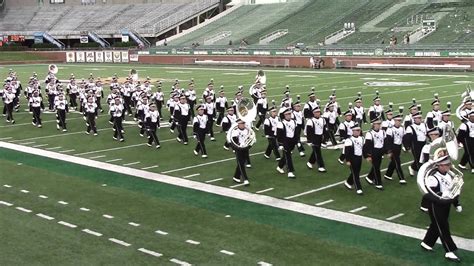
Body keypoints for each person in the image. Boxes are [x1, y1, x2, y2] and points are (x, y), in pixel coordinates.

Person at [420, 156, 462, 262]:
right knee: (443, 227)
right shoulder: (432, 178)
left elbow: (453, 191)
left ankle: (427, 243)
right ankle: (449, 251)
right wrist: (443, 194)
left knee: (436, 225)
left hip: (446, 205)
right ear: (440, 166)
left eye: (449, 164)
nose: (449, 166)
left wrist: (456, 204)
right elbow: (430, 194)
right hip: (436, 206)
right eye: (447, 165)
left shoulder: (449, 176)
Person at [363, 116, 387, 190]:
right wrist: (367, 156)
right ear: (373, 124)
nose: (379, 125)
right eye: (377, 124)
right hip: (374, 152)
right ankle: (378, 183)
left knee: (377, 166)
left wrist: (385, 151)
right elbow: (366, 146)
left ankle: (369, 177)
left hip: (380, 151)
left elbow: (385, 142)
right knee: (376, 167)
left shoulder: (383, 132)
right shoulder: (369, 134)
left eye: (380, 124)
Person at [384, 114, 406, 184]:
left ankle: (388, 174)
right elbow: (388, 141)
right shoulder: (390, 129)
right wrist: (389, 151)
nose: (399, 122)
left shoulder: (402, 128)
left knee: (394, 161)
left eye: (400, 121)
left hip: (398, 147)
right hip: (393, 147)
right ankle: (401, 178)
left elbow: (403, 138)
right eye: (397, 121)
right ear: (394, 121)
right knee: (397, 162)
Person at [403, 112, 427, 176]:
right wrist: (408, 147)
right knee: (418, 159)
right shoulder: (410, 127)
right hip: (415, 145)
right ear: (414, 119)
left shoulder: (424, 125)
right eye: (417, 118)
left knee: (423, 158)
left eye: (420, 118)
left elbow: (426, 133)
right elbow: (406, 138)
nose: (419, 119)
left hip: (423, 144)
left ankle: (412, 167)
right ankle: (421, 174)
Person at [276, 108, 298, 178]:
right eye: (287, 114)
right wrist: (280, 144)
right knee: (288, 156)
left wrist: (297, 141)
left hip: (292, 141)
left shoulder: (294, 122)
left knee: (286, 155)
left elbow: (296, 132)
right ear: (284, 115)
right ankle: (290, 171)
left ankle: (280, 166)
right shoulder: (281, 123)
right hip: (285, 141)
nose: (289, 115)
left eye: (290, 114)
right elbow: (279, 135)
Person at [344, 123, 364, 195]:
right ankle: (358, 188)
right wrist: (348, 160)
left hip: (359, 157)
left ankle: (348, 182)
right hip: (352, 158)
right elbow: (347, 151)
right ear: (353, 131)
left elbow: (363, 149)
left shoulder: (362, 138)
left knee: (356, 172)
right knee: (355, 174)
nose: (358, 132)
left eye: (359, 130)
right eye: (357, 130)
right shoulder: (349, 140)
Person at [231, 119, 252, 186]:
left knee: (242, 162)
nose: (243, 125)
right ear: (238, 124)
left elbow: (249, 138)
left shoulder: (247, 130)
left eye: (243, 123)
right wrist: (237, 147)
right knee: (241, 163)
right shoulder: (235, 131)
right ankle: (245, 179)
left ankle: (236, 177)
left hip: (245, 148)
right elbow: (234, 141)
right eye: (241, 123)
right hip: (239, 149)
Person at [306, 107, 326, 172]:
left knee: (316, 151)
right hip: (314, 137)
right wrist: (309, 140)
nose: (318, 113)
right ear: (313, 113)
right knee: (318, 152)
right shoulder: (310, 120)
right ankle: (321, 166)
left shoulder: (322, 119)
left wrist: (324, 139)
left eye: (319, 112)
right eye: (316, 112)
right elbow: (308, 131)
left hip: (320, 137)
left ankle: (310, 162)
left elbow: (324, 129)